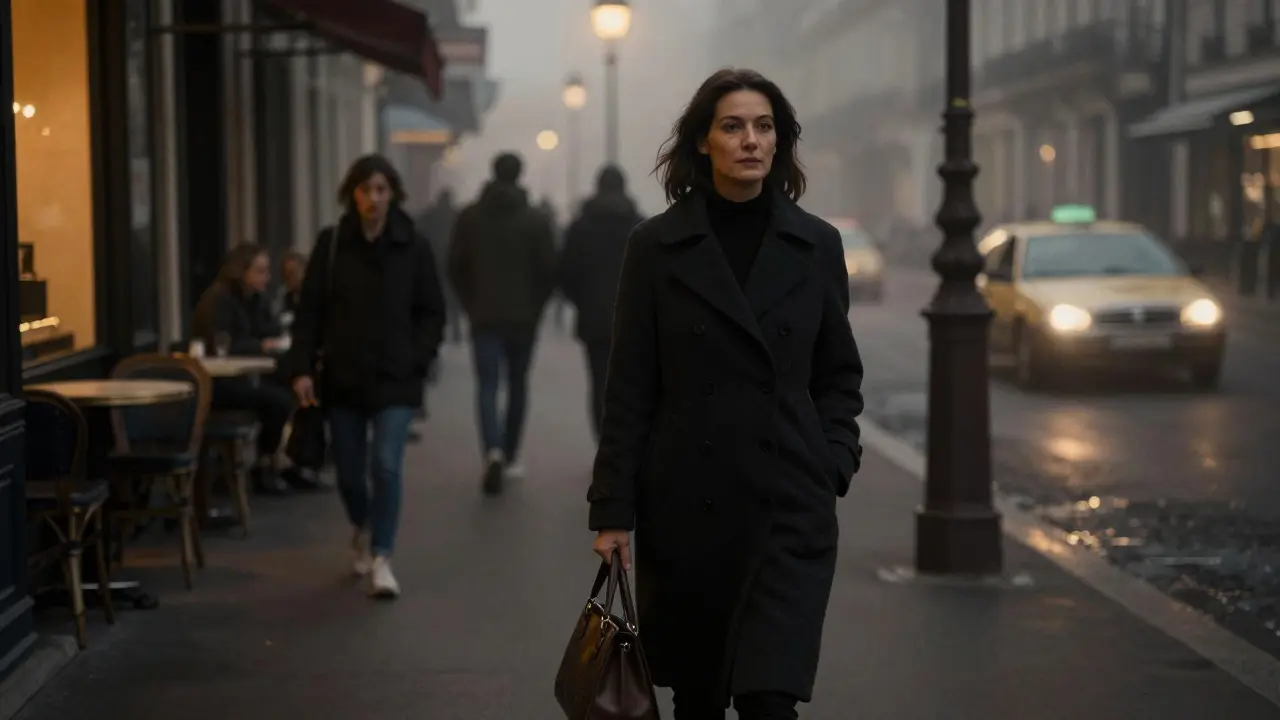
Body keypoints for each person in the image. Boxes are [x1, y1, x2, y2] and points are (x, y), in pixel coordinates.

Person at [588, 69, 865, 719]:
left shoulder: (816, 245)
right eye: (733, 126)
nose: (750, 141)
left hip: (789, 504)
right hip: (691, 505)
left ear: (781, 143)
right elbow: (629, 387)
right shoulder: (656, 248)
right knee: (701, 699)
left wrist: (834, 460)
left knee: (771, 699)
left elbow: (838, 374)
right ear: (703, 142)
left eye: (764, 127)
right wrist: (612, 511)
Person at [289, 154, 446, 599]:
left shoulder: (412, 244)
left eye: (380, 190)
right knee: (350, 472)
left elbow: (432, 311)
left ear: (392, 193)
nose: (373, 199)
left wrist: (417, 357)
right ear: (352, 195)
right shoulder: (334, 243)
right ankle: (362, 523)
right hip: (344, 376)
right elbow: (310, 312)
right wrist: (301, 367)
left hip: (396, 377)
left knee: (387, 464)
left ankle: (382, 555)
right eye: (364, 190)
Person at [448, 152, 556, 495]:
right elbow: (548, 271)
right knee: (518, 384)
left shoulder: (470, 218)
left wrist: (470, 303)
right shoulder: (536, 220)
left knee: (487, 385)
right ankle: (510, 454)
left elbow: (455, 265)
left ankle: (492, 448)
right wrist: (536, 309)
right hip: (523, 318)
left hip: (484, 316)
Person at [192, 243, 312, 495]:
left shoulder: (256, 299)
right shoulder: (219, 300)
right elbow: (222, 344)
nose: (266, 278)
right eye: (260, 271)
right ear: (241, 271)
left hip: (246, 376)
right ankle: (265, 464)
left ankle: (287, 459)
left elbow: (272, 329)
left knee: (298, 387)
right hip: (218, 384)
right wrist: (260, 344)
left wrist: (268, 340)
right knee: (276, 401)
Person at [557, 165, 643, 440]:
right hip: (635, 320)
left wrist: (582, 301)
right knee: (633, 384)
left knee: (598, 383)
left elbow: (566, 274)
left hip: (594, 319)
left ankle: (604, 442)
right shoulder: (641, 226)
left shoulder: (580, 227)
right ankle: (628, 441)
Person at [417, 189, 462, 344]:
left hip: (434, 259)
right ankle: (456, 330)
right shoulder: (457, 216)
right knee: (453, 297)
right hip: (452, 260)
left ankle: (439, 329)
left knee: (436, 296)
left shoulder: (429, 216)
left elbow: (420, 233)